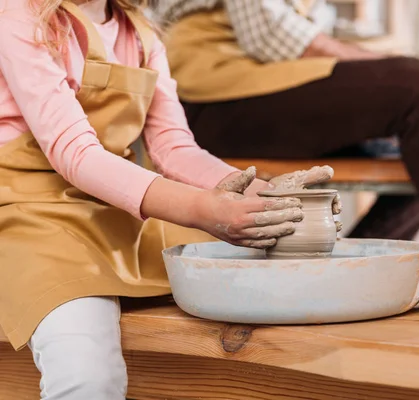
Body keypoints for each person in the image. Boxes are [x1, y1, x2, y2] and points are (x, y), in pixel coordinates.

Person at [0, 0, 339, 398]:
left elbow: (174, 147)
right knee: (88, 374)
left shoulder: (140, 30)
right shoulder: (20, 17)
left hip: (112, 214)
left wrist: (265, 194)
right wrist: (201, 209)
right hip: (32, 219)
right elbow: (75, 154)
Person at [150, 0, 419, 243]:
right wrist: (390, 65)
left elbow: (312, 28)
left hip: (259, 87)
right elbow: (270, 35)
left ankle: (361, 271)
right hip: (212, 100)